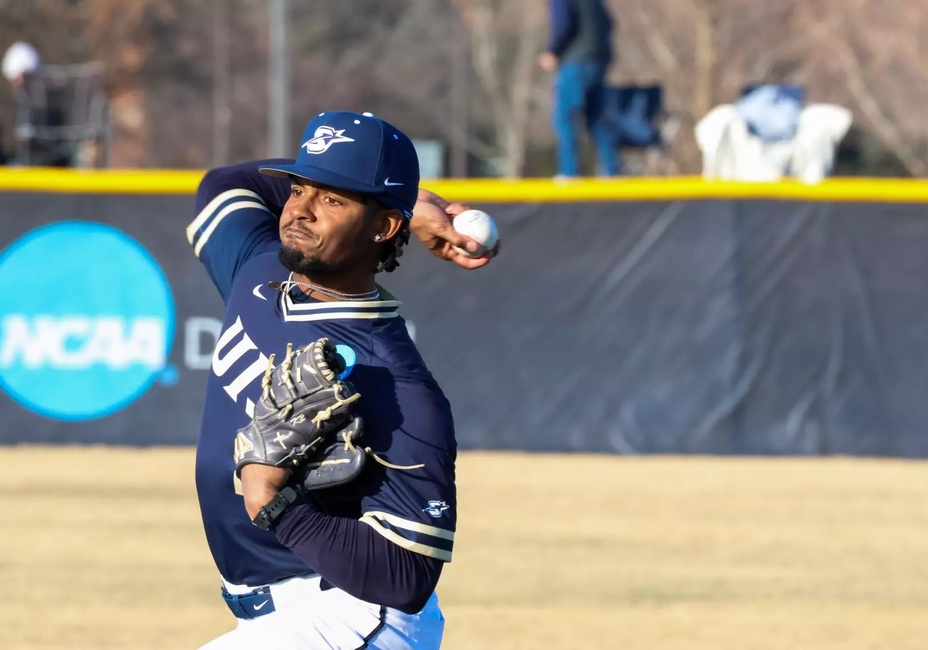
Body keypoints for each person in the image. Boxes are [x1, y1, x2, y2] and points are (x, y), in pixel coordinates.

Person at [188, 110, 496, 650]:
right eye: (299, 186)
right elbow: (224, 185)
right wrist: (416, 199)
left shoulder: (395, 383)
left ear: (382, 227)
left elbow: (408, 577)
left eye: (332, 199)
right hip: (270, 616)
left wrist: (275, 505)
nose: (299, 211)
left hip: (355, 614)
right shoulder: (258, 265)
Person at [539, 0, 619, 177]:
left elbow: (563, 23)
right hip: (599, 60)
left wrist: (553, 51)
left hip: (576, 62)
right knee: (597, 119)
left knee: (565, 117)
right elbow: (608, 22)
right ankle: (612, 172)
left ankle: (569, 173)